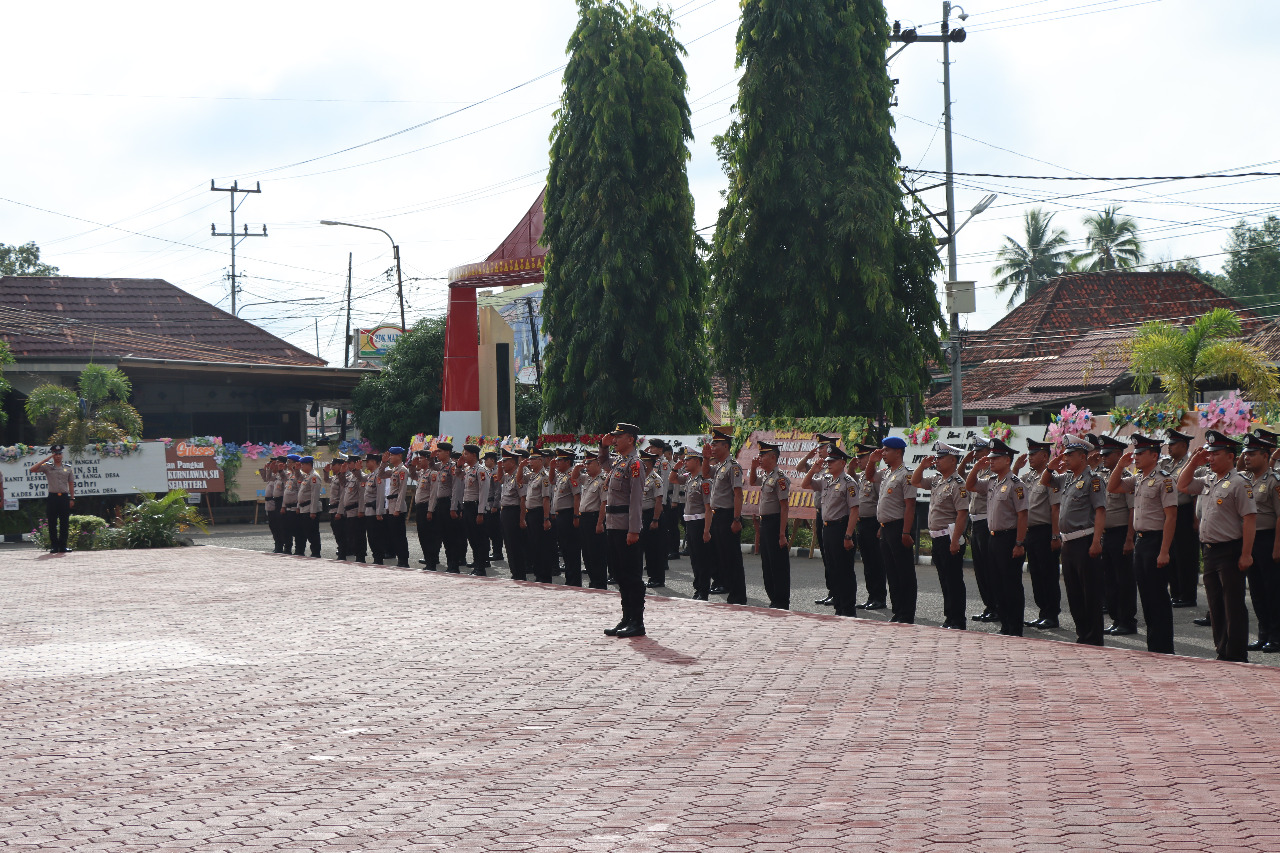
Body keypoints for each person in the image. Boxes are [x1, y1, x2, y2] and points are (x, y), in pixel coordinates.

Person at [1178, 430, 1256, 662]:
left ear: (1230, 456)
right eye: (1209, 454)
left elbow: (1250, 519)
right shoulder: (1209, 479)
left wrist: (1246, 554)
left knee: (1233, 605)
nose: (1210, 458)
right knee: (1215, 604)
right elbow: (1183, 485)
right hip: (1210, 551)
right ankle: (1222, 649)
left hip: (1230, 550)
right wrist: (1194, 462)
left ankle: (1237, 653)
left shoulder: (1239, 483)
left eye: (1216, 454)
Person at [1107, 433, 1178, 654]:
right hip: (1141, 541)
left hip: (1157, 541)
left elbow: (1171, 517)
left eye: (1140, 453)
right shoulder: (1139, 478)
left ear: (1154, 455)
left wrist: (1165, 551)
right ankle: (1153, 644)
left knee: (1158, 596)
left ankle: (1164, 646)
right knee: (1146, 595)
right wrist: (1120, 464)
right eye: (1134, 453)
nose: (1135, 457)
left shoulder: (1164, 480)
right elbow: (1113, 487)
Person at [1040, 435, 1107, 646]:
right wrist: (1051, 466)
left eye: (1070, 455)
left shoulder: (1093, 480)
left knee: (1090, 592)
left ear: (1083, 457)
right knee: (1073, 592)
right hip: (1068, 543)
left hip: (1085, 541)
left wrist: (1097, 541)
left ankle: (1094, 637)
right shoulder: (1067, 478)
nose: (1066, 458)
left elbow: (1100, 511)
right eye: (1065, 454)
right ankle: (1082, 634)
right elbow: (1045, 481)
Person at [966, 438, 1028, 637]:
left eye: (995, 458)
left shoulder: (1016, 484)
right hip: (993, 538)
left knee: (1011, 584)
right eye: (990, 458)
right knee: (996, 583)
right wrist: (976, 467)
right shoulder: (992, 481)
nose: (991, 462)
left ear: (1008, 460)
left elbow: (1022, 515)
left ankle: (1015, 627)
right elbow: (970, 485)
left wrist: (1019, 542)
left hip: (1009, 538)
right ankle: (1005, 625)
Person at [912, 442, 970, 629]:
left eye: (941, 458)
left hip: (949, 537)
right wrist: (922, 466)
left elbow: (962, 514)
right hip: (937, 537)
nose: (937, 461)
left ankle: (958, 619)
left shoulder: (958, 484)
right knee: (944, 579)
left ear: (953, 460)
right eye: (936, 458)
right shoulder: (937, 480)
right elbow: (915, 481)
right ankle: (949, 617)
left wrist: (955, 541)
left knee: (953, 580)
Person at [800, 445, 859, 616]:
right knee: (832, 569)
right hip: (827, 529)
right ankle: (839, 606)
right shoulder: (826, 479)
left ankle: (848, 609)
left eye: (832, 461)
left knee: (844, 571)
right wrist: (813, 469)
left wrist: (848, 535)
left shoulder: (849, 483)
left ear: (842, 463)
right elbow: (805, 484)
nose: (828, 464)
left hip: (841, 528)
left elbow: (854, 510)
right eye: (827, 461)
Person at [600, 423, 647, 637]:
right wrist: (603, 446)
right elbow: (603, 463)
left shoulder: (635, 464)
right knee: (619, 573)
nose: (615, 440)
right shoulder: (620, 462)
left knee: (631, 575)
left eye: (619, 437)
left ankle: (637, 621)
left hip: (626, 527)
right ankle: (626, 617)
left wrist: (634, 529)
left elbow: (636, 499)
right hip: (613, 525)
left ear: (630, 439)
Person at [1013, 438, 1061, 630]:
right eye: (1029, 454)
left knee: (1048, 575)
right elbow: (1013, 483)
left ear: (1044, 455)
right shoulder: (1029, 477)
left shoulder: (1052, 477)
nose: (1030, 457)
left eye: (1034, 454)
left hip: (1045, 531)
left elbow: (1055, 508)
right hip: (1030, 532)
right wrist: (1016, 467)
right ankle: (1043, 612)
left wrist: (1055, 535)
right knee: (1036, 575)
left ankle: (1052, 615)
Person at [869, 436, 917, 624]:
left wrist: (906, 532)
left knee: (904, 572)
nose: (883, 454)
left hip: (899, 527)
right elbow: (870, 477)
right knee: (891, 572)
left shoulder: (906, 475)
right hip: (886, 527)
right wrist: (871, 462)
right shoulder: (887, 473)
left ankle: (907, 613)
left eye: (887, 450)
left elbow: (910, 506)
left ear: (898, 452)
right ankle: (898, 612)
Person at [1095, 435, 1137, 635]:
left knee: (1124, 580)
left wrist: (1129, 538)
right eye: (1102, 455)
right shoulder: (1102, 476)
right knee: (1109, 580)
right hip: (1106, 534)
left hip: (1121, 533)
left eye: (1108, 455)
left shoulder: (1127, 478)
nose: (1103, 458)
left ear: (1119, 455)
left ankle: (1127, 620)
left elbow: (1132, 511)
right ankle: (1115, 618)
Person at [1242, 432, 1280, 653]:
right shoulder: (1245, 480)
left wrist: (1277, 546)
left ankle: (1276, 636)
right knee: (1256, 590)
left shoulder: (1274, 481)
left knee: (1273, 590)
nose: (1247, 458)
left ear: (1265, 456)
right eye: (1246, 454)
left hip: (1268, 541)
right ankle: (1263, 633)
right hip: (1251, 541)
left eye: (1253, 454)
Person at [705, 428, 748, 605]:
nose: (712, 447)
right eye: (712, 444)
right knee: (723, 557)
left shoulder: (733, 467)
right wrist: (706, 458)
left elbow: (738, 494)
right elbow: (706, 473)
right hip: (717, 515)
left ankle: (738, 596)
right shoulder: (720, 466)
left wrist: (736, 519)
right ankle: (732, 593)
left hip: (728, 515)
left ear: (726, 446)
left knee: (732, 558)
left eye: (716, 444)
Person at [797, 433, 841, 605]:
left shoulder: (832, 468)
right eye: (819, 447)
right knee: (825, 555)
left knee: (833, 556)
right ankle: (831, 591)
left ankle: (838, 592)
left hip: (832, 515)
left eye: (822, 447)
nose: (819, 450)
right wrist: (810, 456)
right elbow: (799, 468)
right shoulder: (818, 466)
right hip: (820, 513)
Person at [751, 440, 792, 610]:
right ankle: (773, 598)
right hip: (765, 523)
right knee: (766, 563)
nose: (759, 458)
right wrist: (753, 467)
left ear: (773, 457)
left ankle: (781, 600)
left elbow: (784, 507)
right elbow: (752, 480)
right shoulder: (767, 476)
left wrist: (782, 534)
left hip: (775, 524)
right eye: (759, 455)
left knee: (778, 564)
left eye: (763, 455)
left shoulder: (780, 478)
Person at [965, 438, 1000, 623]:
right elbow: (965, 480)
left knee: (989, 568)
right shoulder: (978, 471)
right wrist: (972, 464)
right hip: (976, 523)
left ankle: (997, 607)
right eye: (975, 451)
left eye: (979, 450)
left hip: (987, 523)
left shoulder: (993, 473)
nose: (976, 453)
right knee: (979, 569)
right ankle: (989, 605)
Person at [1165, 429, 1201, 608]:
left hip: (1185, 512)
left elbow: (1195, 494)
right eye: (1169, 444)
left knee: (1186, 555)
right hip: (1169, 513)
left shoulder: (1191, 464)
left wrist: (1195, 519)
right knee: (1172, 554)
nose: (1169, 447)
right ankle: (1176, 593)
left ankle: (1188, 595)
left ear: (1184, 446)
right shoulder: (1168, 464)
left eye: (1173, 444)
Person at [671, 448, 712, 599]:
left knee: (702, 559)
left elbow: (709, 508)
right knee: (694, 559)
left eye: (688, 460)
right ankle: (697, 588)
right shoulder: (689, 478)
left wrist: (707, 530)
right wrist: (676, 467)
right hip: (690, 523)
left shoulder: (705, 481)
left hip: (700, 522)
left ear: (697, 461)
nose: (685, 462)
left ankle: (703, 591)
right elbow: (672, 479)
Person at [852, 443, 887, 610]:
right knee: (867, 563)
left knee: (876, 563)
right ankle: (871, 596)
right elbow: (851, 476)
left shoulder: (877, 477)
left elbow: (882, 501)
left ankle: (879, 598)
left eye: (861, 457)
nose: (858, 460)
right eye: (858, 457)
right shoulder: (862, 477)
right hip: (862, 523)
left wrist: (881, 525)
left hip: (874, 523)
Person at [575, 450, 609, 589]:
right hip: (584, 519)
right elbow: (574, 478)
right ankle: (592, 580)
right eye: (586, 463)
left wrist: (600, 523)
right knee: (587, 553)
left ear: (598, 463)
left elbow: (604, 503)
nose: (587, 466)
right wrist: (577, 468)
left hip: (595, 518)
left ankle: (600, 583)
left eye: (590, 463)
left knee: (596, 553)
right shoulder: (588, 478)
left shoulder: (603, 479)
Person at [33, 446, 75, 553]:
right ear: (53, 455)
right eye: (55, 454)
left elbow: (71, 484)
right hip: (53, 497)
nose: (58, 456)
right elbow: (32, 469)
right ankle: (54, 546)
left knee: (64, 522)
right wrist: (46, 459)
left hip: (64, 498)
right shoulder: (47, 467)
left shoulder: (68, 467)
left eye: (59, 454)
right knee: (52, 522)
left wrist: (72, 498)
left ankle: (63, 546)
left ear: (62, 455)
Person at [521, 449, 554, 583]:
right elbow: (519, 479)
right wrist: (521, 466)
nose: (530, 462)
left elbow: (546, 499)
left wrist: (546, 519)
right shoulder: (532, 476)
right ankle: (538, 573)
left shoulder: (544, 476)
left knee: (542, 547)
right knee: (534, 545)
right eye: (529, 459)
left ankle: (544, 575)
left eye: (533, 459)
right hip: (531, 514)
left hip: (539, 513)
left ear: (540, 460)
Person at [551, 447, 583, 587]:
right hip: (560, 516)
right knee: (564, 549)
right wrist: (552, 468)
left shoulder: (572, 475)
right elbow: (551, 481)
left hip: (569, 515)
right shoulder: (561, 475)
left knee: (571, 550)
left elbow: (577, 497)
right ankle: (569, 579)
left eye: (560, 460)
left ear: (568, 461)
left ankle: (574, 581)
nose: (557, 462)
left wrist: (576, 516)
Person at [459, 444, 492, 576]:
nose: (464, 456)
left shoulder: (481, 470)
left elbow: (483, 492)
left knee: (480, 538)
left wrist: (480, 512)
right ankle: (477, 563)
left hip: (476, 507)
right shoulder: (468, 470)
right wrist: (458, 465)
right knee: (472, 537)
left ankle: (481, 567)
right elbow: (457, 475)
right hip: (467, 506)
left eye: (466, 454)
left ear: (474, 455)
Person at [500, 449, 529, 581]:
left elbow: (523, 499)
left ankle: (520, 573)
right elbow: (499, 479)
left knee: (515, 545)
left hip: (514, 512)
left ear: (512, 462)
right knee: (508, 544)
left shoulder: (519, 476)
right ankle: (514, 572)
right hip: (505, 511)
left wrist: (522, 518)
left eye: (505, 462)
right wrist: (501, 467)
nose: (502, 464)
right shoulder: (507, 476)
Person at [641, 449, 668, 589]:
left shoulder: (655, 479)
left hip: (653, 515)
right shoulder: (640, 478)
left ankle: (658, 578)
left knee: (655, 549)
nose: (641, 463)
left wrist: (655, 519)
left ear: (650, 463)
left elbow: (659, 501)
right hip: (642, 515)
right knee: (647, 548)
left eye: (644, 461)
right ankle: (652, 577)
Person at [381, 447, 412, 568]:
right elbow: (381, 474)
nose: (390, 458)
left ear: (399, 456)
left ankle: (404, 560)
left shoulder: (402, 470)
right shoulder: (394, 470)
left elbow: (402, 491)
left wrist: (397, 509)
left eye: (392, 455)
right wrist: (383, 463)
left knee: (399, 535)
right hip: (391, 505)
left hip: (397, 508)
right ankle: (400, 559)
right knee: (393, 534)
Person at [361, 452, 386, 565]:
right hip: (368, 511)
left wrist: (379, 512)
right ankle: (376, 557)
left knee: (376, 537)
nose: (366, 463)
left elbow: (381, 495)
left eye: (368, 461)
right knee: (370, 536)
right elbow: (360, 477)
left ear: (375, 462)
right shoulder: (371, 475)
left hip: (375, 511)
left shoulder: (379, 475)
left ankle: (378, 559)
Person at [296, 456, 323, 558]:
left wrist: (313, 511)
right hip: (304, 508)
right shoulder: (307, 476)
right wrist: (299, 506)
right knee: (307, 531)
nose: (301, 466)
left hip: (310, 509)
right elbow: (301, 492)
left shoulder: (314, 477)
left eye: (303, 464)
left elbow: (315, 496)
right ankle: (314, 551)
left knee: (312, 532)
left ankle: (316, 552)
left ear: (309, 464)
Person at [412, 449, 435, 567]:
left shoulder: (432, 473)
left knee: (428, 535)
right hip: (419, 507)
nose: (419, 460)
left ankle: (431, 562)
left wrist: (430, 510)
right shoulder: (422, 473)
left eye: (421, 458)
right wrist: (413, 464)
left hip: (427, 507)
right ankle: (427, 558)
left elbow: (433, 494)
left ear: (428, 459)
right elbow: (412, 475)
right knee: (421, 534)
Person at [341, 454, 365, 561]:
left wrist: (361, 510)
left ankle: (361, 556)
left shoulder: (360, 477)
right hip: (349, 511)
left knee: (358, 535)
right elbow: (342, 484)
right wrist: (341, 473)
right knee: (351, 535)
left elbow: (362, 494)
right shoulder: (350, 477)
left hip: (356, 511)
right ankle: (357, 555)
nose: (348, 465)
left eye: (349, 463)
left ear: (356, 463)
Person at [325, 456, 347, 561]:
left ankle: (343, 553)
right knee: (336, 531)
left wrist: (340, 511)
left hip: (338, 508)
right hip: (333, 508)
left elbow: (343, 495)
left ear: (340, 465)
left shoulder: (344, 477)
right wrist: (326, 471)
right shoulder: (335, 477)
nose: (332, 467)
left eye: (334, 465)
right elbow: (327, 480)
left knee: (341, 532)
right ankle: (341, 549)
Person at [484, 451, 504, 565]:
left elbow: (497, 489)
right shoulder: (490, 471)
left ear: (492, 460)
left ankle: (498, 552)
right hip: (489, 503)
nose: (485, 462)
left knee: (495, 530)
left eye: (486, 459)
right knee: (491, 529)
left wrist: (496, 505)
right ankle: (495, 551)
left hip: (493, 504)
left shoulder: (496, 472)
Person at [261, 457, 284, 553]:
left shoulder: (280, 475)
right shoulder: (273, 476)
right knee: (272, 525)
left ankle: (280, 545)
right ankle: (277, 544)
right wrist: (267, 468)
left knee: (279, 526)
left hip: (276, 503)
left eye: (274, 464)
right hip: (269, 504)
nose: (272, 466)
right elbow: (265, 478)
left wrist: (271, 469)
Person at [280, 454, 302, 555]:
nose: (287, 464)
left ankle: (298, 550)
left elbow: (300, 492)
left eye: (289, 462)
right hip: (288, 507)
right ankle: (287, 548)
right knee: (286, 530)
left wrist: (298, 507)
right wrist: (283, 506)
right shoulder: (289, 475)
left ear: (295, 463)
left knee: (297, 531)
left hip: (295, 507)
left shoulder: (299, 476)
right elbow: (286, 491)